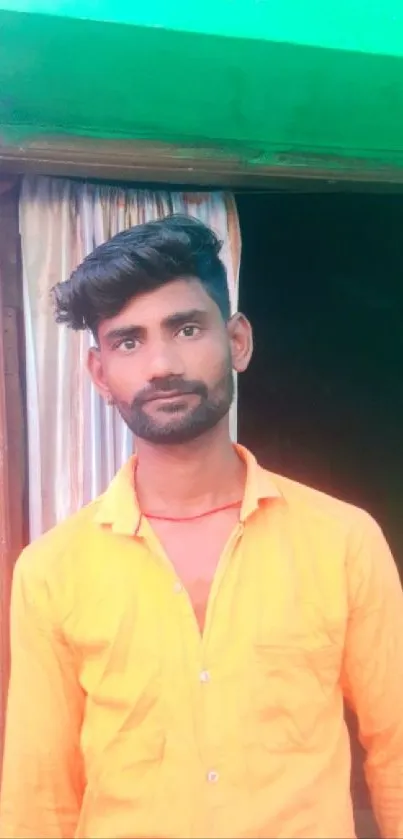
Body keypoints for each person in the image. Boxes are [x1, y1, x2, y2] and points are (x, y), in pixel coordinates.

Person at [1, 215, 403, 839]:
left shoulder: (343, 541)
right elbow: (40, 795)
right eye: (128, 341)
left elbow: (396, 746)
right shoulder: (51, 570)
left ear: (237, 341)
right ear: (100, 375)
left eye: (186, 329)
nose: (161, 364)